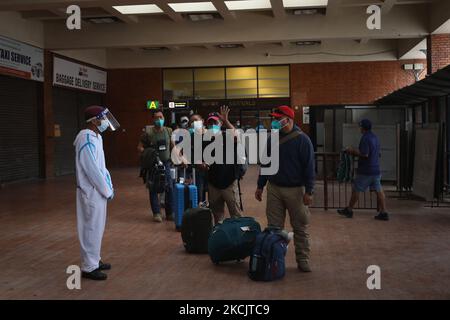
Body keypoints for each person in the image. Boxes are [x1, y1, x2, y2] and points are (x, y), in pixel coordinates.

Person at [255, 105, 315, 273]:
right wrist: (260, 186)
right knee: (274, 228)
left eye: (276, 119)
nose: (274, 122)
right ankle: (276, 259)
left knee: (300, 227)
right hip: (274, 188)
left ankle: (303, 259)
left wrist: (309, 191)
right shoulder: (272, 139)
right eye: (273, 119)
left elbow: (309, 167)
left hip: (296, 190)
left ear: (287, 120)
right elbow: (266, 164)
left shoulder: (303, 140)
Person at [74, 106, 119, 281]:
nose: (105, 121)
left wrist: (108, 187)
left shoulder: (96, 137)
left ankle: (95, 259)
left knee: (97, 227)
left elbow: (101, 167)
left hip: (99, 191)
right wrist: (106, 189)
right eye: (102, 118)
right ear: (93, 121)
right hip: (91, 191)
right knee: (90, 228)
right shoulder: (85, 138)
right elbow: (91, 169)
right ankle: (88, 266)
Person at [337, 119, 390, 221]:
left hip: (366, 170)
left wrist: (352, 151)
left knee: (356, 189)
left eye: (360, 127)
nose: (359, 129)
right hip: (376, 169)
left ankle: (349, 210)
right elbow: (377, 153)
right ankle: (384, 212)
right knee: (379, 191)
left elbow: (364, 154)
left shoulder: (365, 138)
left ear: (363, 128)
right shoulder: (375, 137)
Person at [205, 106, 243, 224]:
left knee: (236, 215)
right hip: (213, 184)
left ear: (220, 123)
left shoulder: (228, 137)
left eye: (215, 123)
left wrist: (226, 121)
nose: (212, 126)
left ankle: (239, 239)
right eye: (210, 124)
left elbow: (237, 136)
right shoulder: (204, 140)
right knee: (217, 216)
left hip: (229, 183)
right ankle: (220, 238)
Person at [137, 110, 174, 223]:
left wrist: (178, 157)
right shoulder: (148, 133)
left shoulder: (169, 131)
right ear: (153, 119)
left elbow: (173, 146)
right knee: (153, 188)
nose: (159, 120)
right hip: (153, 165)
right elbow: (139, 147)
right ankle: (156, 213)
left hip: (166, 163)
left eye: (161, 117)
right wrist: (148, 153)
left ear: (164, 118)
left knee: (169, 187)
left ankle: (169, 213)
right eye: (157, 118)